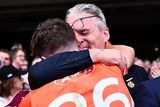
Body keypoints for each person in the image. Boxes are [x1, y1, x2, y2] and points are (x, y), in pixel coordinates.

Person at [19, 18, 134, 107]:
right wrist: (96, 53)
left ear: (43, 60)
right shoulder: (113, 65)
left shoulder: (34, 99)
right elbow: (126, 51)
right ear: (79, 46)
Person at [65, 3, 149, 99]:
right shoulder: (57, 75)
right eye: (71, 35)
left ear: (105, 34)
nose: (77, 40)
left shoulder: (136, 73)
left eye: (84, 32)